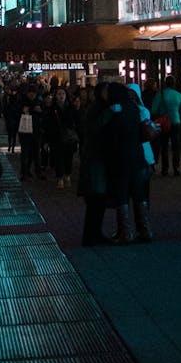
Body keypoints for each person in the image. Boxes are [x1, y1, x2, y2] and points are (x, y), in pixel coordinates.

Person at [101, 82, 150, 244]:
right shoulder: (134, 109)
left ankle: (126, 231)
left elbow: (112, 137)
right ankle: (145, 229)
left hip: (120, 158)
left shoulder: (117, 111)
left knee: (122, 195)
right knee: (139, 193)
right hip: (137, 156)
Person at [77, 82, 112, 246]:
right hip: (95, 162)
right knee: (95, 202)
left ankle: (93, 234)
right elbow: (94, 128)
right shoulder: (98, 110)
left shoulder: (96, 108)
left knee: (96, 203)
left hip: (95, 160)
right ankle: (92, 235)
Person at [126, 82, 156, 241]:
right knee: (142, 193)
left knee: (134, 193)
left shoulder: (129, 111)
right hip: (146, 155)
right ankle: (144, 226)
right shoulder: (144, 111)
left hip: (138, 156)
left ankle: (137, 227)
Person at [151, 75, 181, 176]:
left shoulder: (160, 94)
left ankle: (165, 169)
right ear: (174, 83)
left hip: (164, 123)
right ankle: (176, 168)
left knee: (164, 146)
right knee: (176, 146)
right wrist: (177, 114)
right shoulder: (179, 95)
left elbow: (154, 109)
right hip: (176, 122)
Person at [43, 86, 79, 188]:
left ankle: (67, 175)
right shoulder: (52, 109)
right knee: (58, 158)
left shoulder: (71, 108)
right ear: (55, 96)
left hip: (69, 137)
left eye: (63, 94)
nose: (61, 96)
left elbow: (77, 122)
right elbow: (48, 126)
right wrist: (46, 140)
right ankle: (60, 178)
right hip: (56, 137)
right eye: (59, 94)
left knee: (69, 157)